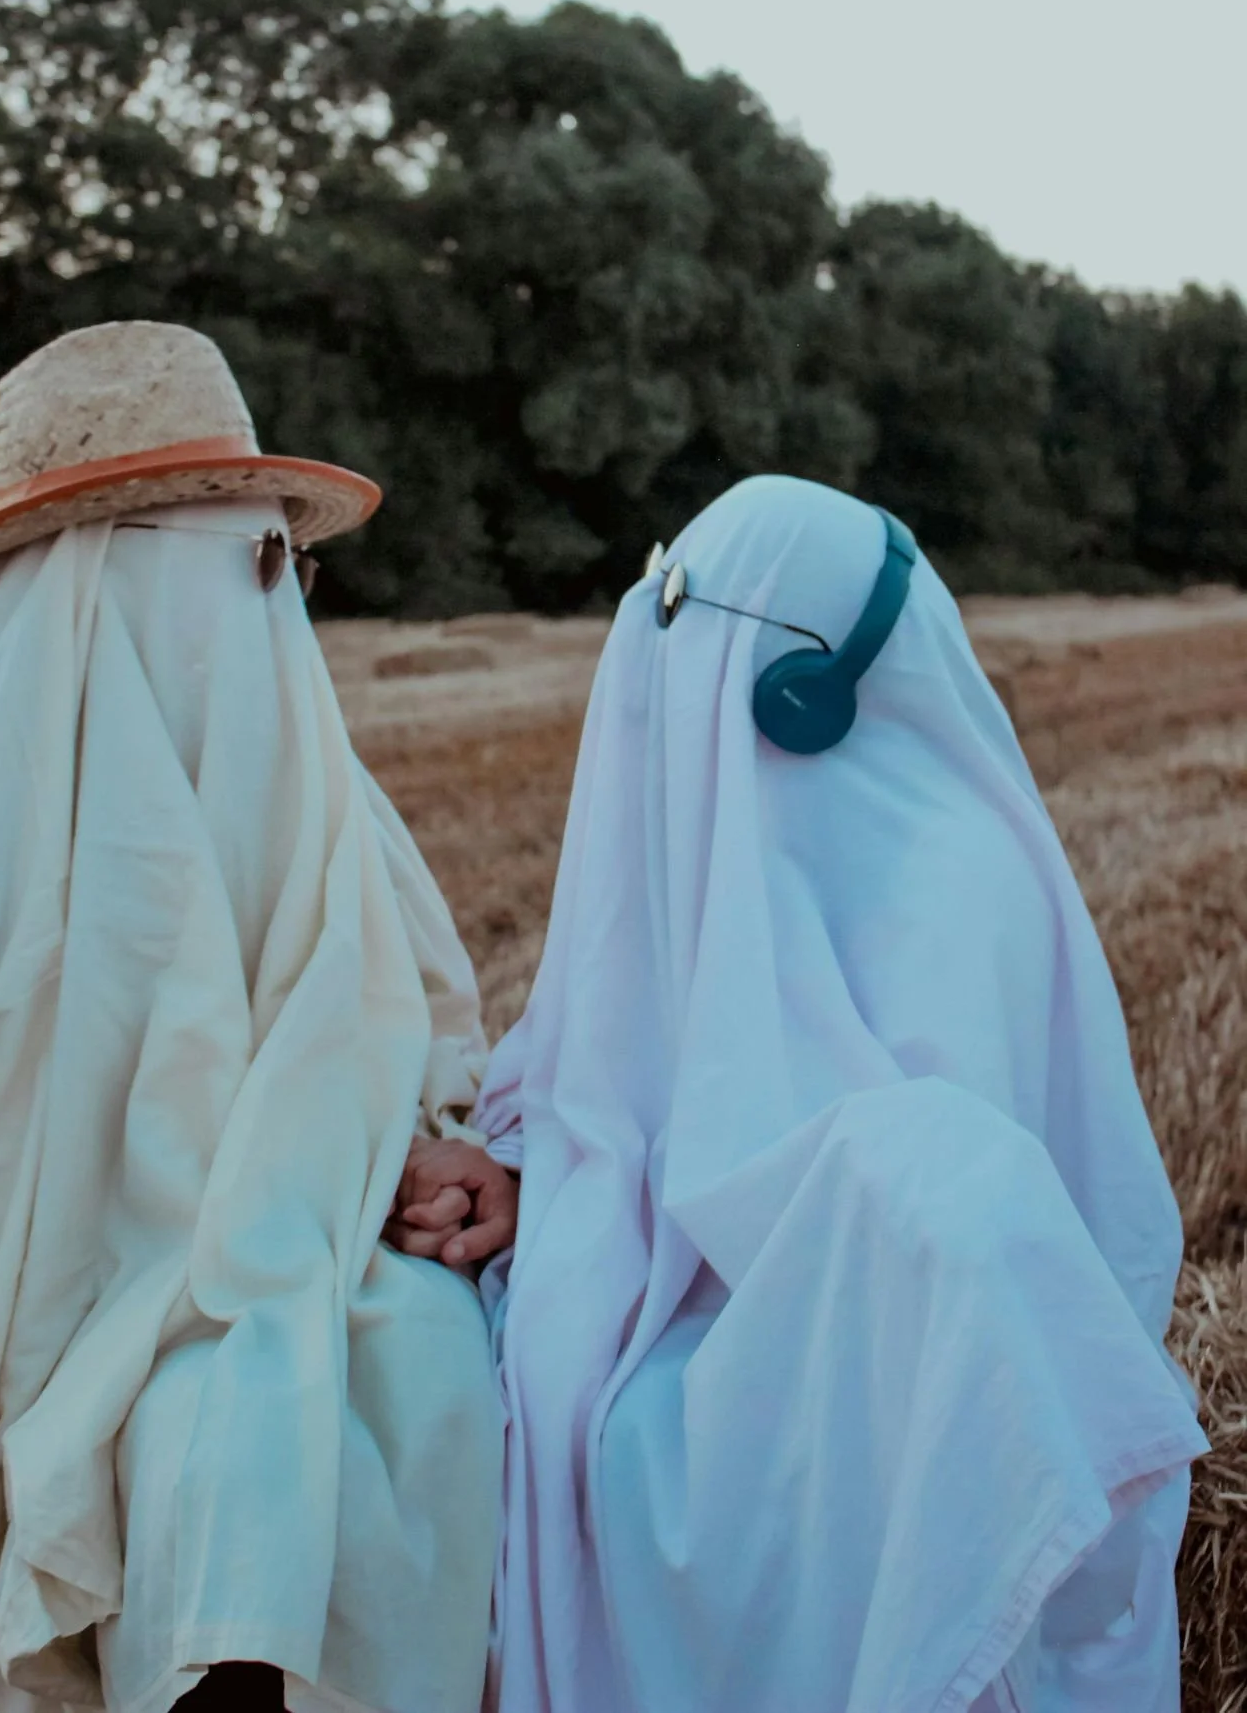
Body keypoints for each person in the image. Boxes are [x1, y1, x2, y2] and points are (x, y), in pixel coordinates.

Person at [0, 321, 504, 1713]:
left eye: (287, 560)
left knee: (428, 1374)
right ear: (95, 583)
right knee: (231, 1438)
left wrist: (422, 1145)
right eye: (253, 560)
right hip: (78, 1319)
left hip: (312, 1241)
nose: (276, 603)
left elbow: (414, 1033)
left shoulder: (324, 792)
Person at [396, 473, 1207, 1713]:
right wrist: (535, 1183)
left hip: (871, 1381)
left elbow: (919, 1249)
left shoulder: (963, 877)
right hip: (722, 1317)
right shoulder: (715, 831)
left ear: (808, 692)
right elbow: (635, 1085)